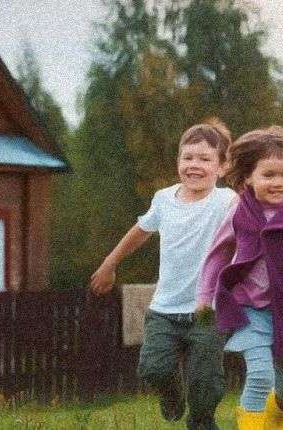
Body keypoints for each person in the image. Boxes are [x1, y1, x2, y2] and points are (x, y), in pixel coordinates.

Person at [90, 118, 235, 430]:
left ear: (222, 167)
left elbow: (255, 223)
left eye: (205, 159)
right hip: (164, 309)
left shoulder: (227, 201)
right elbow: (139, 232)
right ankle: (172, 395)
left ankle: (202, 422)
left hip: (208, 311)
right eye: (187, 157)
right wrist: (109, 264)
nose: (194, 165)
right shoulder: (164, 199)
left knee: (204, 383)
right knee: (153, 368)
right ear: (178, 161)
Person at [196, 126, 283, 430]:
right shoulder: (239, 212)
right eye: (268, 175)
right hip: (249, 309)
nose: (278, 182)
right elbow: (218, 253)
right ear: (248, 177)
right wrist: (205, 295)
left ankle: (278, 417)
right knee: (260, 376)